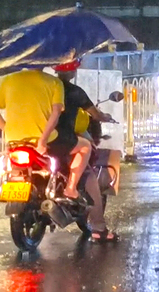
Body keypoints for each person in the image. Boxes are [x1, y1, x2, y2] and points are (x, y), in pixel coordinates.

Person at [52, 61, 118, 241]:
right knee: (88, 173)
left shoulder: (47, 87)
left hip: (37, 138)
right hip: (62, 140)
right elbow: (95, 115)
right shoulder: (75, 92)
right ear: (73, 70)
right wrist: (105, 117)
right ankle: (99, 228)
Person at [0, 68, 67, 189]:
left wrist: (6, 129)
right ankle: (71, 189)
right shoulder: (55, 82)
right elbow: (56, 112)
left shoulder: (9, 80)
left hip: (14, 141)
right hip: (43, 140)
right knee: (84, 147)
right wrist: (43, 141)